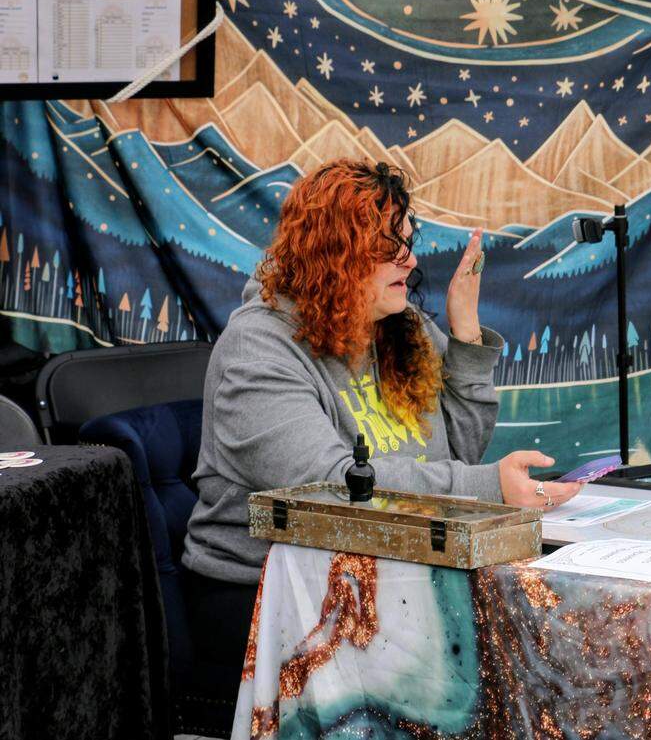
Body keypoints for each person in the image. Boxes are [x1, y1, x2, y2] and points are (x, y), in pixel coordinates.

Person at [182, 159, 580, 683]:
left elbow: (458, 452)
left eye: (407, 243)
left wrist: (465, 336)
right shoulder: (256, 349)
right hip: (265, 593)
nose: (409, 261)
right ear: (334, 256)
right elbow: (331, 487)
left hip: (388, 574)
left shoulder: (398, 326)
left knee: (544, 647)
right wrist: (486, 487)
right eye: (387, 249)